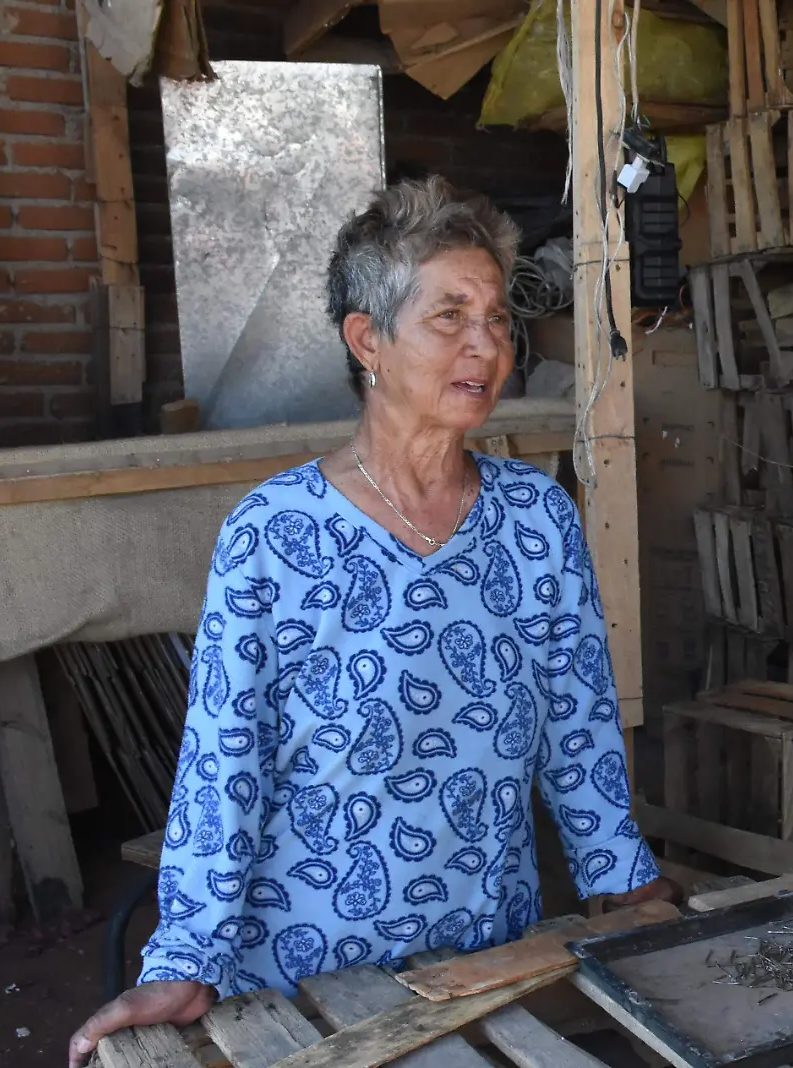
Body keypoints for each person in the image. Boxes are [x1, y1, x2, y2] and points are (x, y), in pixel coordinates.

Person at [69, 177, 672, 1066]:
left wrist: (626, 886)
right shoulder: (273, 534)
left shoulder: (535, 517)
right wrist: (184, 955)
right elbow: (221, 765)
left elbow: (577, 726)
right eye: (450, 315)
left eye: (499, 317)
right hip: (302, 976)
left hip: (484, 954)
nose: (487, 344)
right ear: (368, 339)